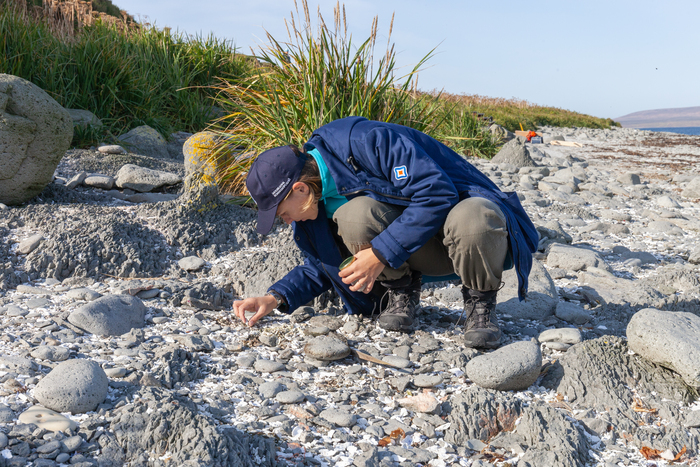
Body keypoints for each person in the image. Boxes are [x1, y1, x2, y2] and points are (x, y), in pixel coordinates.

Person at [232, 116, 538, 349]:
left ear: (299, 189)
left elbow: (438, 195)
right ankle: (401, 295)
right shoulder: (314, 202)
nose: (285, 221)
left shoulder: (369, 141)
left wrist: (379, 253)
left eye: (281, 212)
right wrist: (275, 298)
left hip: (479, 239)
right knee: (355, 216)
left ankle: (480, 305)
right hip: (422, 250)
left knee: (471, 216)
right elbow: (322, 265)